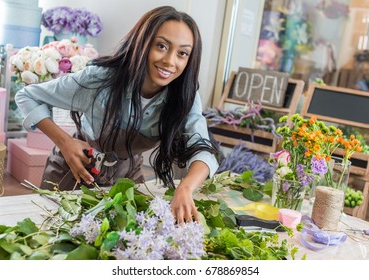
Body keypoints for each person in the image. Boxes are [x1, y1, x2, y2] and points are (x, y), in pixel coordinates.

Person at [15, 6, 220, 224]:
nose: (170, 61)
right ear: (143, 43)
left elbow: (203, 149)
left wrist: (185, 187)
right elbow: (27, 96)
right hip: (73, 173)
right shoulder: (99, 79)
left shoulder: (184, 96)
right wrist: (65, 143)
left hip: (127, 180)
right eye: (161, 46)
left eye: (182, 53)